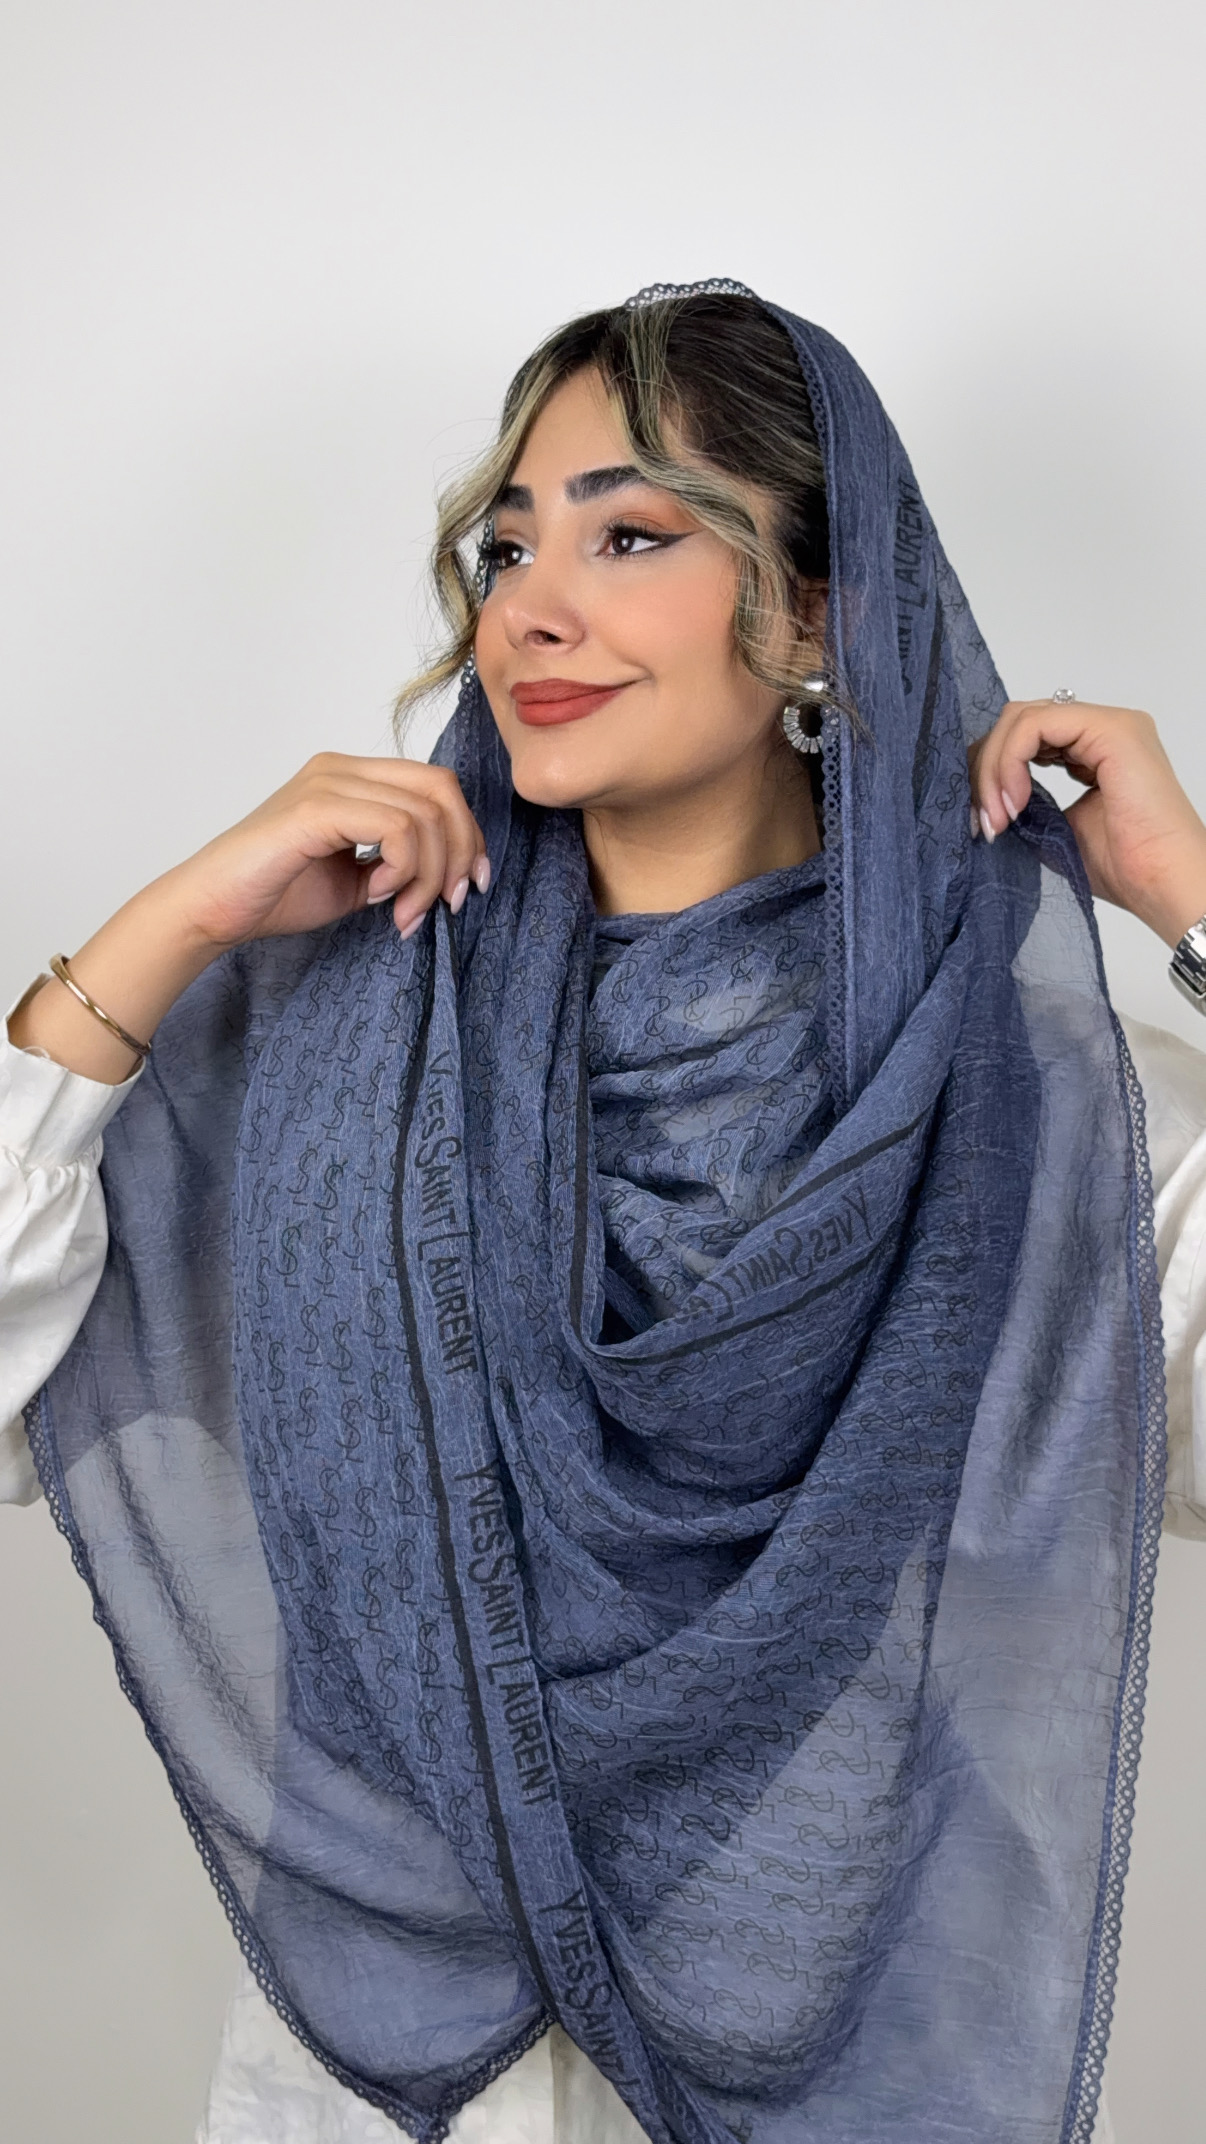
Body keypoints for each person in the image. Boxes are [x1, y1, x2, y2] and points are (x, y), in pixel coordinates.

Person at [3, 281, 1206, 2144]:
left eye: (629, 535)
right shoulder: (326, 1055)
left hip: (853, 2069)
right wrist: (170, 931)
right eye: (505, 549)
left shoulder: (1034, 1105)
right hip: (388, 2104)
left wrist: (1195, 903)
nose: (530, 611)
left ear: (814, 609)